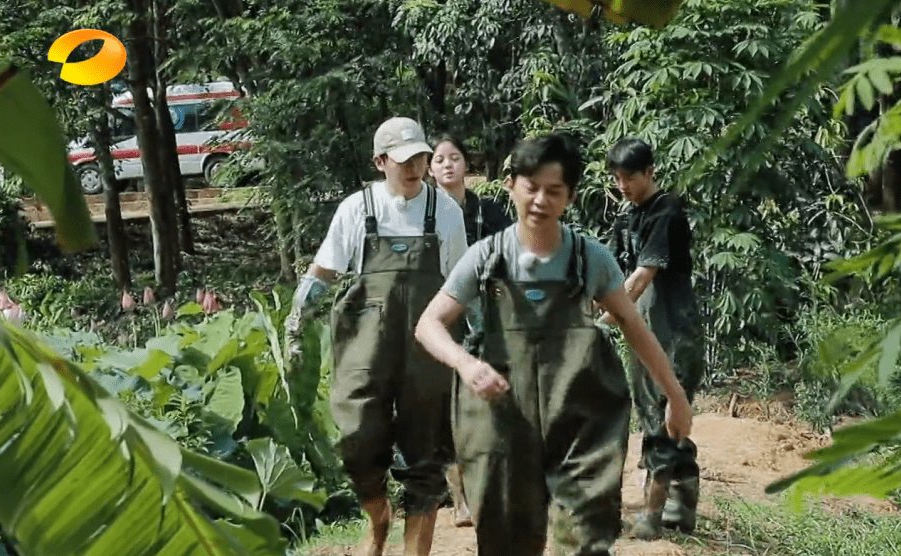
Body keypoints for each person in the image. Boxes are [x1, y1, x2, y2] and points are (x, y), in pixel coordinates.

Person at [414, 134, 693, 555]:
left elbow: (632, 324)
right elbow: (429, 324)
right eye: (531, 187)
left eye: (554, 191)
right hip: (503, 420)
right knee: (507, 536)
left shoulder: (588, 258)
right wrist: (466, 364)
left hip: (579, 418)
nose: (541, 200)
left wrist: (675, 395)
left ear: (570, 197)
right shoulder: (486, 258)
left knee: (584, 534)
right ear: (510, 186)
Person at [284, 116, 467, 556]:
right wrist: (296, 319)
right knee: (357, 438)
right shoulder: (356, 209)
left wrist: (481, 344)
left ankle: (414, 549)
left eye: (420, 158)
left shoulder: (444, 211)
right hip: (365, 346)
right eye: (403, 160)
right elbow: (323, 272)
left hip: (427, 347)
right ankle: (378, 515)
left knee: (427, 450)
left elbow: (463, 283)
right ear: (380, 161)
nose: (414, 168)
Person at [601, 137, 705, 539]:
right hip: (641, 329)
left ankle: (652, 513)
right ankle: (684, 502)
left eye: (630, 177)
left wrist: (606, 320)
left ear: (651, 172)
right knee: (651, 415)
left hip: (673, 329)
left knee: (664, 419)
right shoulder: (628, 217)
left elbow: (642, 276)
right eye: (617, 178)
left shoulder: (667, 211)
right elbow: (608, 271)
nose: (623, 185)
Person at [428, 133, 512, 527]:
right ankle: (460, 498)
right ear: (430, 168)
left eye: (455, 157)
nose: (448, 165)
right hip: (439, 319)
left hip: (488, 317)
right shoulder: (424, 213)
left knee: (489, 397)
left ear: (467, 165)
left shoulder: (490, 212)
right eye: (440, 159)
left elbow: (513, 257)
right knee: (445, 403)